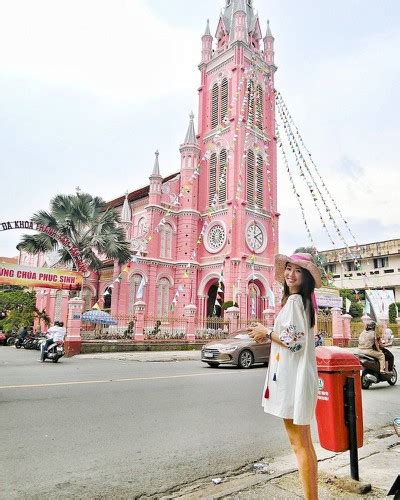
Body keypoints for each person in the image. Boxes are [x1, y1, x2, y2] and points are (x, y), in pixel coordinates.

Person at [247, 253, 322, 500]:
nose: (290, 274)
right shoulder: (304, 303)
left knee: (298, 445)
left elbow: (294, 343)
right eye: (288, 268)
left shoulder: (294, 303)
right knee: (305, 444)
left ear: (306, 277)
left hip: (293, 381)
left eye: (297, 271)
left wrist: (265, 331)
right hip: (298, 378)